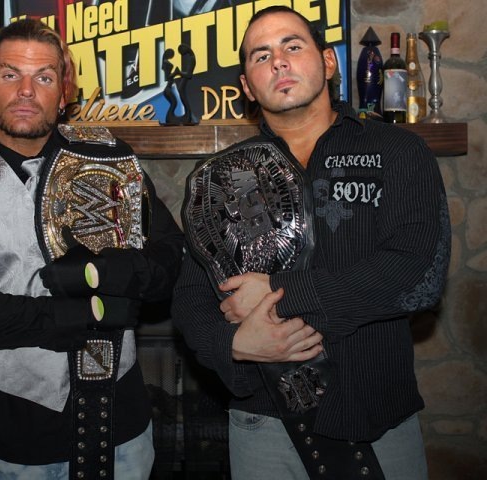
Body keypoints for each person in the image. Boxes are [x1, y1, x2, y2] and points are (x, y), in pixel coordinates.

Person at [172, 6, 450, 480]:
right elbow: (190, 299)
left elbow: (419, 275)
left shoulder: (398, 150)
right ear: (247, 86)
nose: (278, 61)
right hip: (263, 428)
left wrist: (279, 294)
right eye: (261, 55)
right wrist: (234, 343)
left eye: (292, 46)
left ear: (328, 61)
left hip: (378, 423)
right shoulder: (218, 177)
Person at [0, 18, 184, 479]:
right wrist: (70, 317)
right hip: (19, 443)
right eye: (11, 75)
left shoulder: (109, 158)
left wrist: (132, 272)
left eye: (43, 77)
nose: (26, 91)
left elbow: (171, 256)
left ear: (64, 92)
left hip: (123, 432)